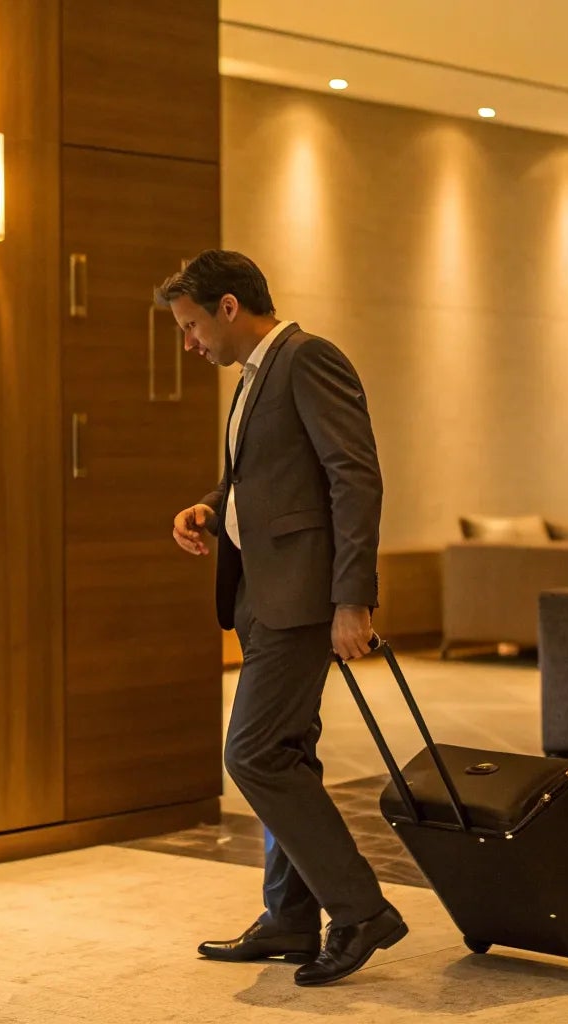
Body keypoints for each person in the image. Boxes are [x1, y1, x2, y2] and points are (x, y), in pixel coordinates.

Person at [163, 249, 405, 987]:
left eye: (192, 323)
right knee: (287, 755)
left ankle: (359, 910)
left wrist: (352, 598)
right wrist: (212, 504)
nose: (189, 341)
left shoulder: (307, 358)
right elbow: (263, 478)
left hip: (303, 600)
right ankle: (291, 918)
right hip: (263, 596)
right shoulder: (255, 375)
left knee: (255, 754)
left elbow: (353, 476)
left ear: (229, 307)